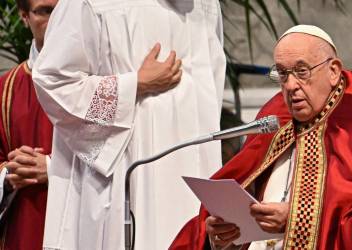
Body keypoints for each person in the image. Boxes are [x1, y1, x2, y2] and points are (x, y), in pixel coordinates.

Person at [170, 25, 352, 250]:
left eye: (302, 71)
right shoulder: (273, 117)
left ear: (334, 70)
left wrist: (298, 218)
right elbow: (240, 196)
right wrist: (220, 237)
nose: (290, 86)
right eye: (282, 73)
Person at [32, 0, 226, 249]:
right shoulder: (89, 3)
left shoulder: (206, 5)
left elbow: (210, 94)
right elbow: (52, 80)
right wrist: (134, 85)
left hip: (196, 171)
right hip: (127, 175)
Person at [0, 0, 57, 249]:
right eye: (45, 11)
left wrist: (52, 168)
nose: (56, 20)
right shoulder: (5, 89)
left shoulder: (100, 82)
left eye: (61, 10)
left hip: (81, 222)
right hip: (23, 228)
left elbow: (116, 151)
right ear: (24, 17)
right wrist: (9, 173)